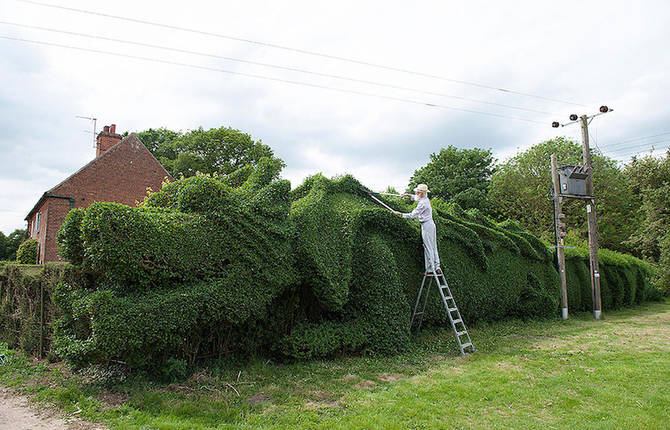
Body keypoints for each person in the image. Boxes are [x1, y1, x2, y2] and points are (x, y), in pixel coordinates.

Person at [395, 184, 441, 274]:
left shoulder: (423, 204)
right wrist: (407, 195)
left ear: (421, 193)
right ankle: (437, 267)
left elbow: (412, 215)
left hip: (427, 226)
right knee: (433, 246)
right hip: (430, 224)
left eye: (417, 192)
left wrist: (401, 214)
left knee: (428, 247)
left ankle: (430, 269)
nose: (415, 192)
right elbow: (415, 197)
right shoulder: (425, 199)